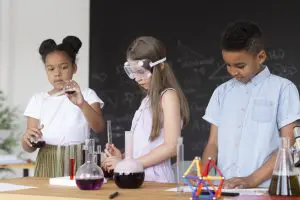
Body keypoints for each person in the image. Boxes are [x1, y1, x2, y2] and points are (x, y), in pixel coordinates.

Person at [202, 20, 300, 188]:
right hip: (225, 189)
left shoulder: (283, 89)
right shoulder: (221, 93)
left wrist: (251, 180)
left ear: (260, 57)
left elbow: (288, 145)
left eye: (240, 66)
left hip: (267, 189)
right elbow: (213, 143)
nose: (233, 72)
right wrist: (204, 179)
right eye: (228, 65)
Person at [102, 36, 190, 183]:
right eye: (133, 72)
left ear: (160, 66)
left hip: (157, 180)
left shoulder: (168, 96)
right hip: (139, 177)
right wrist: (123, 157)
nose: (137, 78)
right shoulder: (146, 101)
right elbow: (145, 148)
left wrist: (128, 164)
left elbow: (171, 146)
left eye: (142, 72)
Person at [22, 36, 105, 177]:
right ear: (46, 71)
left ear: (74, 68)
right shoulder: (38, 100)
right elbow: (29, 147)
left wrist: (81, 103)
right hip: (47, 161)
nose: (57, 73)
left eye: (64, 67)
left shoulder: (87, 94)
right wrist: (27, 139)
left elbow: (99, 127)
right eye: (51, 69)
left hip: (79, 161)